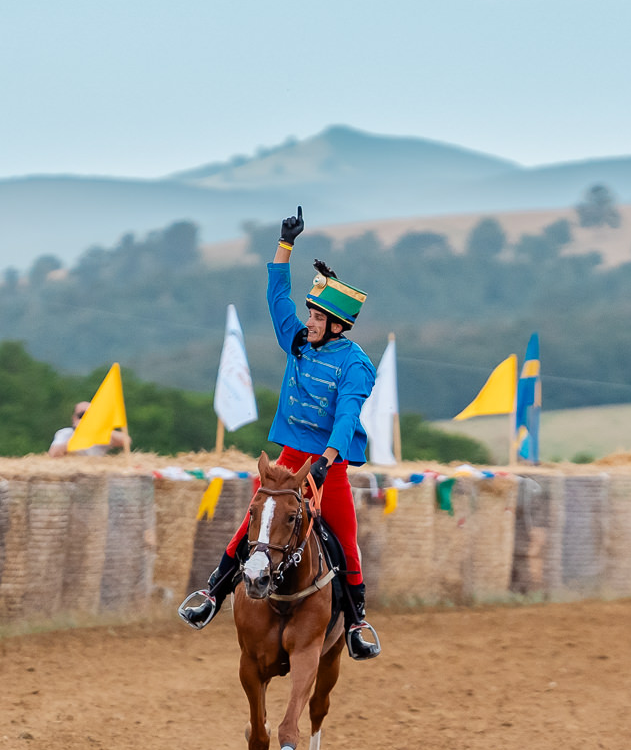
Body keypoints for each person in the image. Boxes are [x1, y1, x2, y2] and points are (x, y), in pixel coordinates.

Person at [178, 208, 381, 660]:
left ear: (337, 325)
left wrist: (327, 461)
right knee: (251, 528)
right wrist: (284, 246)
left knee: (345, 543)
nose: (307, 321)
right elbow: (276, 298)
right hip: (287, 458)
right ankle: (212, 593)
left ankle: (358, 621)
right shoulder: (297, 342)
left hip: (330, 463)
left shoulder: (356, 365)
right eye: (309, 313)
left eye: (316, 316)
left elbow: (347, 418)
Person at [48, 401, 131, 457]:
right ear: (74, 418)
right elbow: (53, 453)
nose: (85, 418)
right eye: (81, 415)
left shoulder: (100, 434)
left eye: (89, 415)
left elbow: (126, 441)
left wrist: (100, 428)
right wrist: (77, 436)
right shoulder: (66, 433)